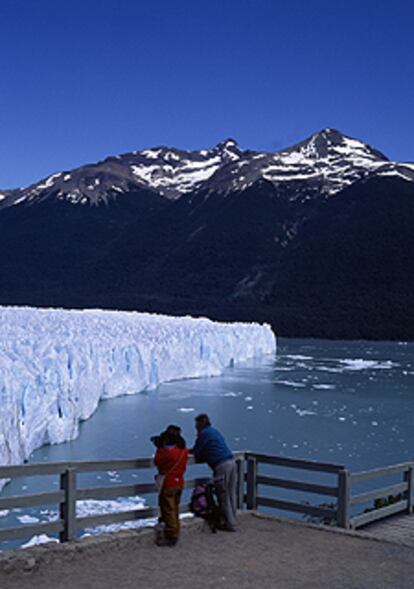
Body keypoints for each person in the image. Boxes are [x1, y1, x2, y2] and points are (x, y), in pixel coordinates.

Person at [192, 413, 237, 531]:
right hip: (232, 462)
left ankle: (229, 523)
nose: (196, 427)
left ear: (200, 424)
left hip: (221, 465)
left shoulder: (204, 434)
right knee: (231, 493)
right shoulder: (214, 431)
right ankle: (232, 519)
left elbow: (197, 452)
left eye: (197, 425)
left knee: (223, 494)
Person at [153, 424, 188, 546]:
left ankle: (171, 537)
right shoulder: (183, 450)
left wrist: (159, 447)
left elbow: (157, 461)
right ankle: (176, 531)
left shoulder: (167, 452)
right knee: (175, 508)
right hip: (179, 482)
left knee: (168, 510)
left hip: (168, 483)